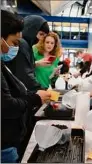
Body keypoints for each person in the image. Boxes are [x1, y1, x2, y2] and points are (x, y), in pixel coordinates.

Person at [1, 10, 51, 163]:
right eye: (14, 42)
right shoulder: (23, 46)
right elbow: (6, 105)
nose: (12, 48)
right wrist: (35, 97)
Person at [5, 15, 50, 92]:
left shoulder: (27, 45)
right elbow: (24, 75)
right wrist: (40, 90)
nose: (41, 39)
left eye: (44, 36)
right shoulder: (22, 44)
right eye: (41, 34)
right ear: (31, 30)